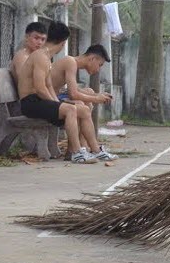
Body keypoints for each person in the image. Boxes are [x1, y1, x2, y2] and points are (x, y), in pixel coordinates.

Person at [17, 22, 115, 164]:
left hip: (39, 101)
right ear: (63, 43)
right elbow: (40, 88)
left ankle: (96, 150)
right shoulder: (40, 57)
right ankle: (76, 153)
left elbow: (49, 85)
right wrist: (57, 105)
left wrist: (57, 104)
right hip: (30, 102)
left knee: (84, 111)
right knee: (70, 109)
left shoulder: (46, 57)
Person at [49, 44, 119, 161]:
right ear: (92, 58)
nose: (98, 69)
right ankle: (89, 149)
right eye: (99, 65)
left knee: (88, 92)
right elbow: (73, 94)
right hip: (48, 99)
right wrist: (96, 99)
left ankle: (81, 147)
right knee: (80, 105)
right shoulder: (70, 62)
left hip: (56, 96)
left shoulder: (73, 63)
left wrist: (97, 94)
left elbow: (74, 89)